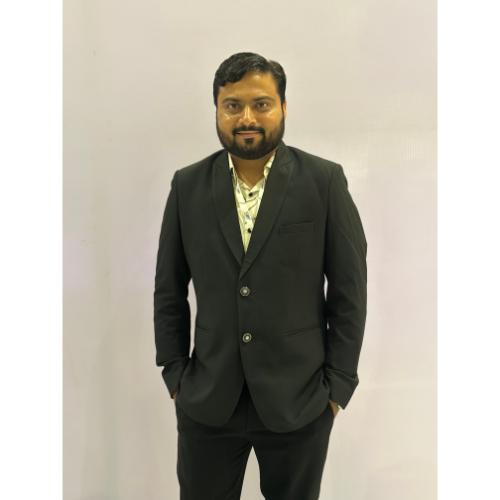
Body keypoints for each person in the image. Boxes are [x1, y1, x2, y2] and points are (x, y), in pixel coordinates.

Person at [154, 52, 367, 500]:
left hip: (301, 401)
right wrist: (175, 374)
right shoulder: (187, 186)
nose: (246, 117)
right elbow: (168, 290)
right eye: (233, 105)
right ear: (216, 109)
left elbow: (349, 290)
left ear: (283, 107)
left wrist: (337, 386)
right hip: (208, 400)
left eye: (261, 104)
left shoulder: (324, 181)